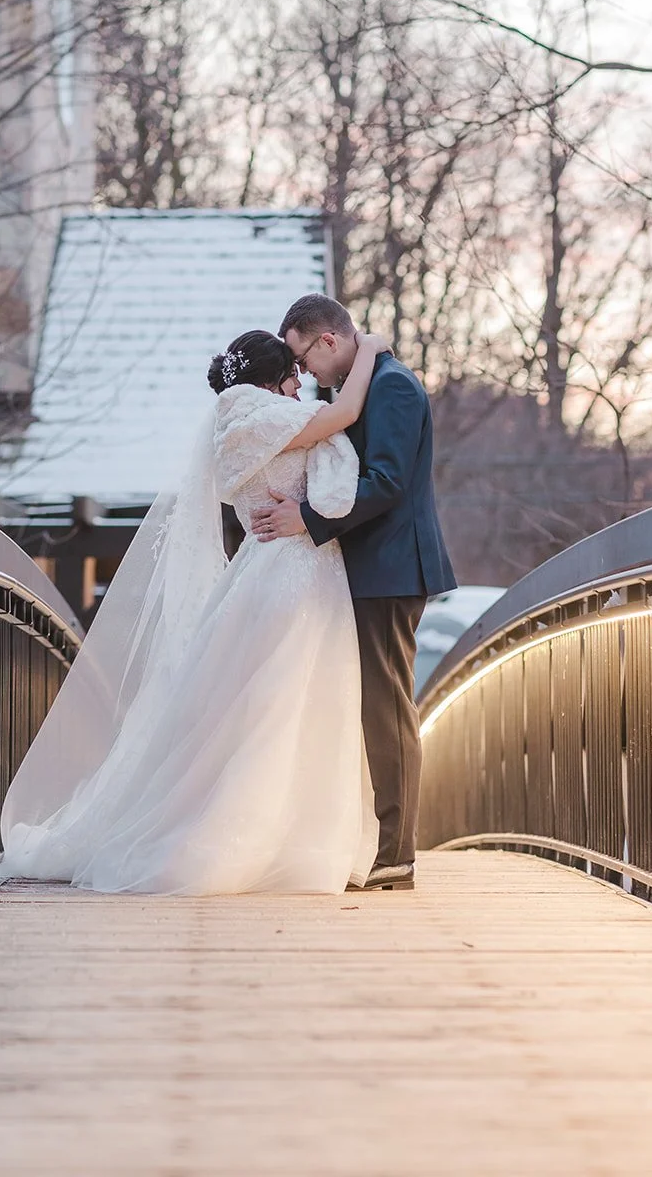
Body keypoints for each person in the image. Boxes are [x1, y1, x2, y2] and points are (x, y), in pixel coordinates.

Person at [0, 327, 390, 895]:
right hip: (293, 574)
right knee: (286, 702)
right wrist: (370, 350)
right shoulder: (261, 418)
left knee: (262, 704)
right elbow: (346, 411)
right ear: (272, 377)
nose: (301, 385)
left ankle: (273, 833)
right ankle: (269, 839)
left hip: (263, 570)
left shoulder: (234, 427)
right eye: (295, 374)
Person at [252, 295, 456, 891]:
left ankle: (396, 854)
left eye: (303, 358)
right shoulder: (367, 382)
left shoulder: (392, 387)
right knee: (368, 705)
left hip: (390, 569)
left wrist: (308, 520)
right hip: (367, 569)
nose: (304, 375)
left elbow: (386, 481)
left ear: (328, 342)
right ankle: (374, 845)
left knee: (386, 708)